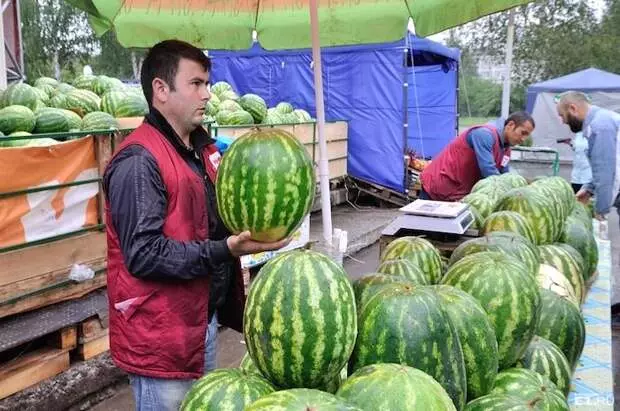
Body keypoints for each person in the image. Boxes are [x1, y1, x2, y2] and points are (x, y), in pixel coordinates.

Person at [102, 40, 289, 411]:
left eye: (207, 83)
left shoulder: (201, 149)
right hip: (161, 337)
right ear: (161, 90)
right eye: (196, 84)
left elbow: (210, 218)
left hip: (198, 322)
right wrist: (225, 250)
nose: (207, 94)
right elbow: (144, 254)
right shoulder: (138, 162)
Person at [419, 112, 535, 201]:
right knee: (424, 228)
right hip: (438, 186)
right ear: (510, 125)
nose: (523, 139)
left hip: (457, 193)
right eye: (523, 133)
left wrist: (520, 191)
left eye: (527, 135)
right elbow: (488, 170)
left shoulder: (506, 149)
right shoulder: (484, 134)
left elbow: (505, 176)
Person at [557, 91, 620, 221]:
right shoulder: (600, 122)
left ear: (573, 109)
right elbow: (605, 165)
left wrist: (601, 211)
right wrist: (589, 188)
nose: (562, 121)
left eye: (562, 115)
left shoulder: (600, 126)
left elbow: (607, 173)